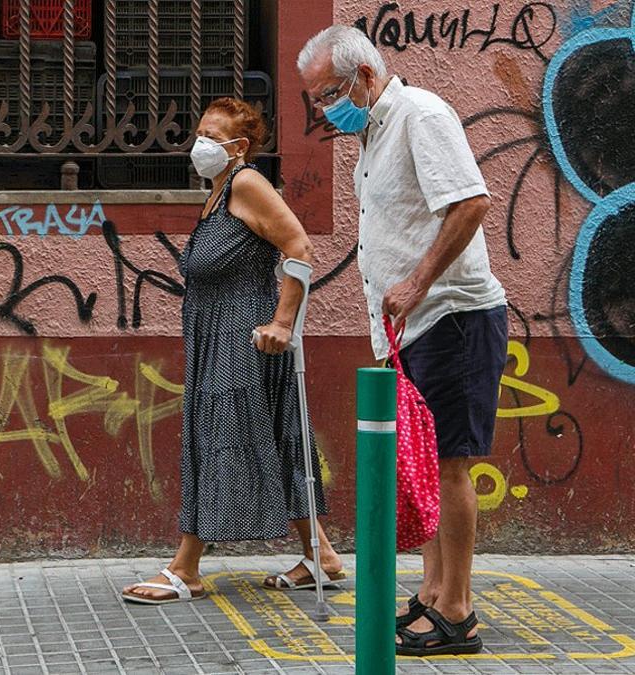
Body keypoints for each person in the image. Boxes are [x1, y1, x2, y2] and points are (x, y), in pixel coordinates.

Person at [298, 26, 508, 656]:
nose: (324, 110)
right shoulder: (372, 135)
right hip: (409, 329)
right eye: (314, 100)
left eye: (329, 94)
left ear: (364, 76)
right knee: (420, 466)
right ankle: (431, 592)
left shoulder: (420, 115)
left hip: (453, 318)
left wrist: (417, 282)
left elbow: (470, 203)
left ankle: (457, 611)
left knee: (449, 465)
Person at [121, 97, 344, 605]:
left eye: (211, 136)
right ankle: (322, 557)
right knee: (274, 435)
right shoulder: (219, 192)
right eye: (199, 132)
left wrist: (283, 322)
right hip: (215, 330)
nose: (200, 144)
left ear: (239, 148)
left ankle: (186, 567)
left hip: (244, 334)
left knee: (221, 438)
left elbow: (300, 249)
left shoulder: (246, 184)